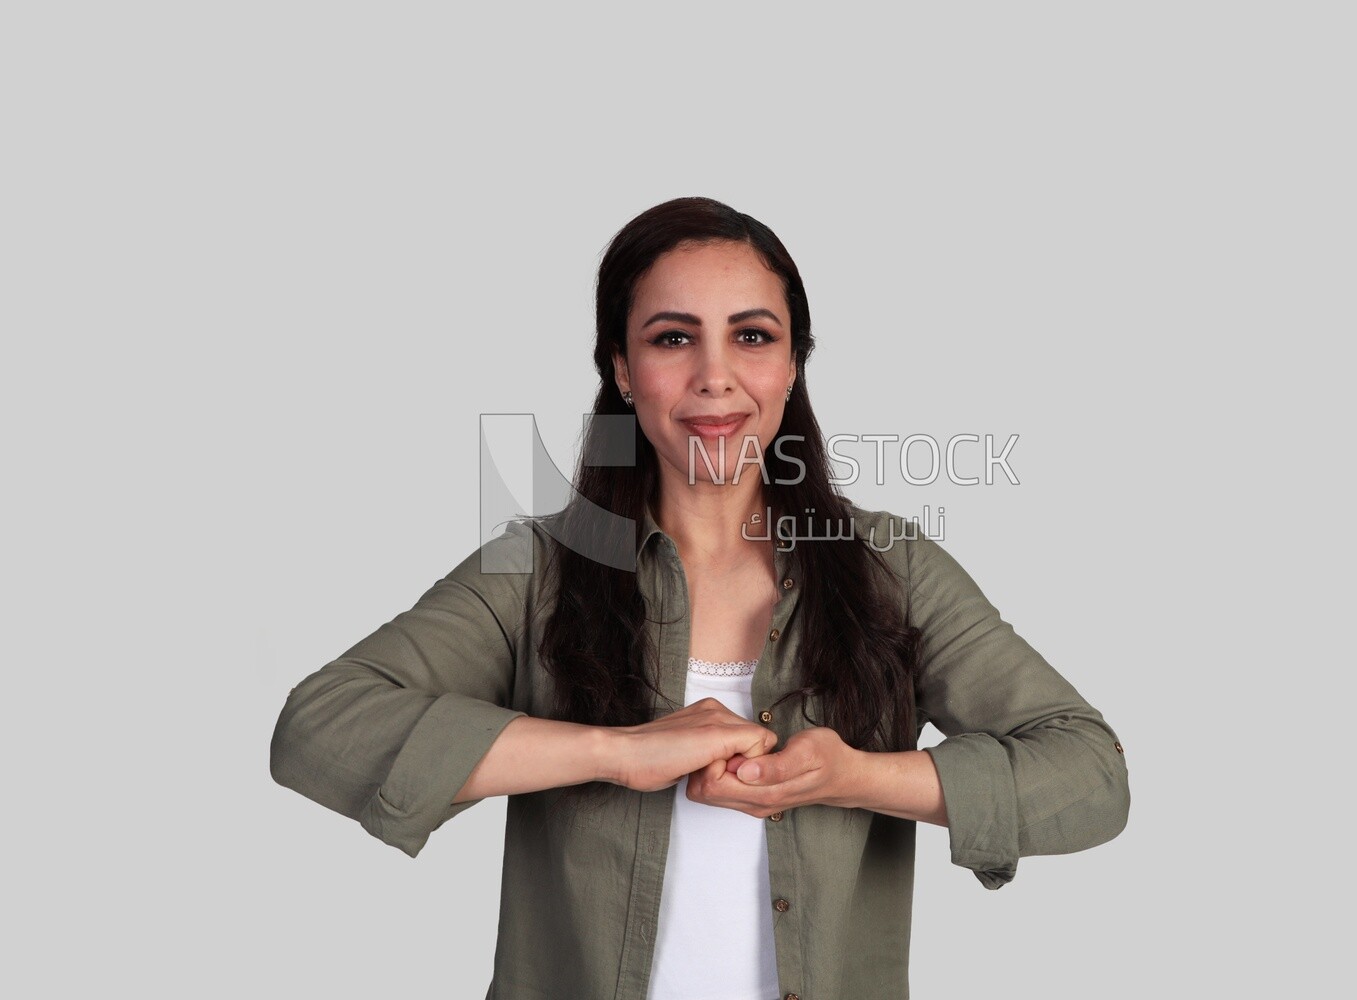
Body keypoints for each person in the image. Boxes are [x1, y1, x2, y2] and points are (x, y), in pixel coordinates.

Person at [269, 196, 1131, 1000]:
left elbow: (1089, 774)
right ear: (621, 367)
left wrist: (856, 777)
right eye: (674, 339)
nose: (716, 377)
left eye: (752, 337)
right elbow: (319, 726)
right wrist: (613, 753)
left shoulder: (891, 567)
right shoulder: (533, 566)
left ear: (793, 364)